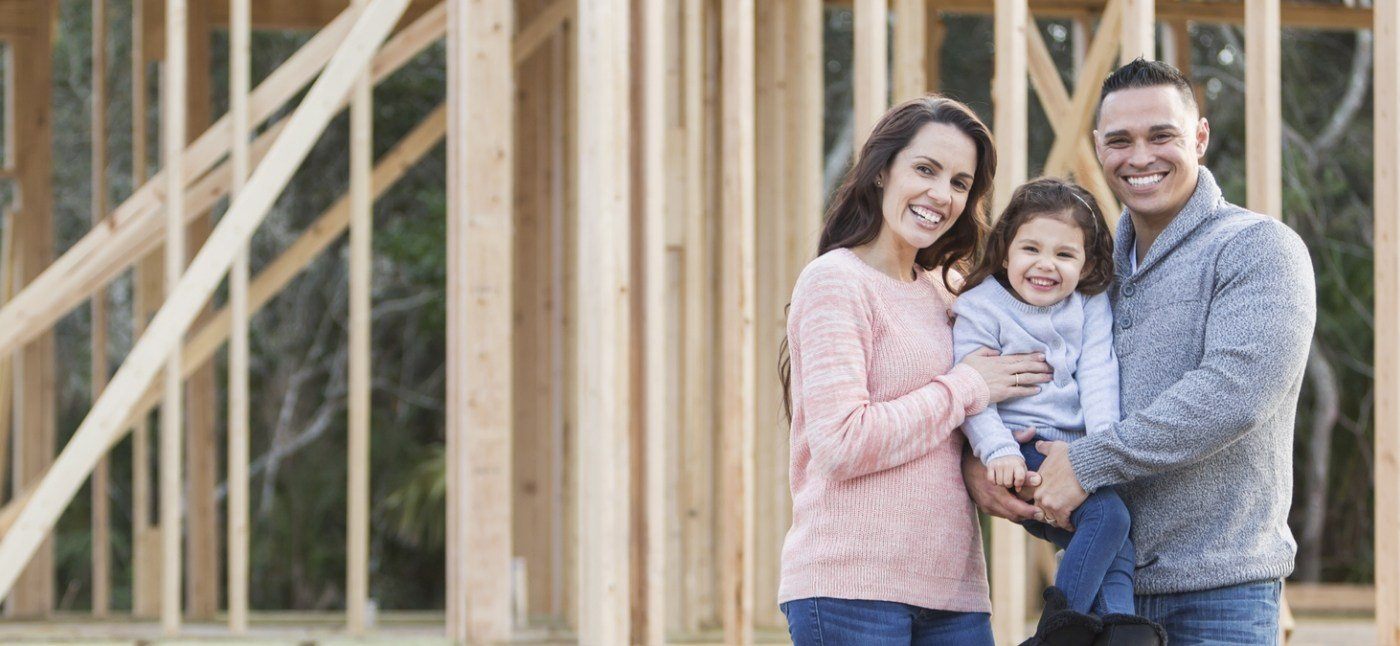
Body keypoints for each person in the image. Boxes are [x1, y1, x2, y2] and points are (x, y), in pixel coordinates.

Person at [963, 58, 1316, 645]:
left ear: (1200, 137)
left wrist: (1089, 460)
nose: (1141, 157)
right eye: (1120, 140)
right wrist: (982, 463)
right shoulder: (1085, 278)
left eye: (1162, 136)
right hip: (1102, 586)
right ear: (1099, 147)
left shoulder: (1259, 249)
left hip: (1219, 594)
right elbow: (1039, 398)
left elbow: (1234, 395)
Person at [777, 95, 1053, 645]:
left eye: (959, 182)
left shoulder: (949, 293)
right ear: (882, 171)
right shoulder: (836, 282)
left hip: (954, 593)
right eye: (925, 170)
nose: (940, 195)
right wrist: (968, 386)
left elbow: (966, 424)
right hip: (850, 590)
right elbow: (841, 442)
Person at [953, 177, 1165, 645]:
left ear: (1086, 264)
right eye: (1031, 249)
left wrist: (1100, 450)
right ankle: (1058, 632)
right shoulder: (980, 307)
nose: (1046, 265)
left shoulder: (1087, 304)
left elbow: (1099, 371)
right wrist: (998, 452)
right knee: (1109, 520)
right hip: (1017, 451)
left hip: (1075, 454)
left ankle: (1120, 632)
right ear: (1006, 251)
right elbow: (973, 394)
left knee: (1116, 543)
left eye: (1065, 255)